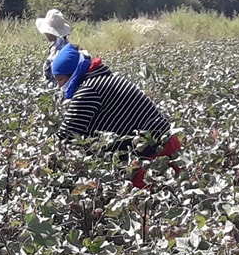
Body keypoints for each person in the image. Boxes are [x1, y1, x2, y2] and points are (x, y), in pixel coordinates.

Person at [48, 43, 180, 187]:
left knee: (146, 202)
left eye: (61, 80)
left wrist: (45, 157)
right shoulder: (102, 78)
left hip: (154, 152)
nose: (60, 86)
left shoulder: (88, 90)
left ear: (73, 73)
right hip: (165, 142)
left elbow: (67, 134)